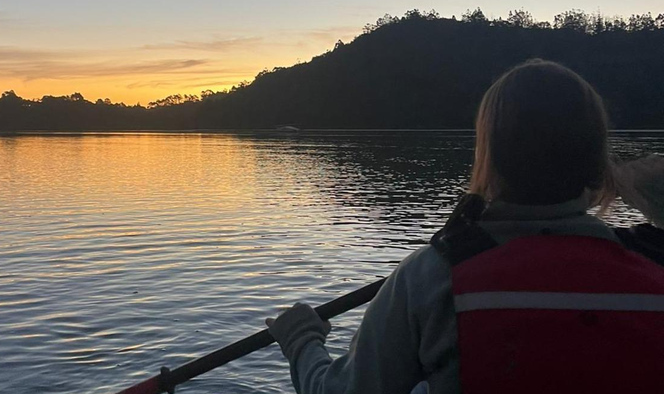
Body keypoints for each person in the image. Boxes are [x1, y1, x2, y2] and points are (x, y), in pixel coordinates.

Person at [265, 59, 664, 394]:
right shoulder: (653, 266)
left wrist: (301, 340)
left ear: (488, 156)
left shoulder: (431, 277)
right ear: (596, 157)